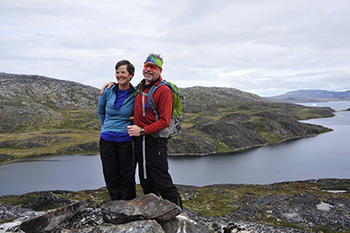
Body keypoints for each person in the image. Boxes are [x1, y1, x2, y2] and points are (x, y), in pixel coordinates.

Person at [102, 54, 182, 209]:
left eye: (153, 67)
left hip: (155, 140)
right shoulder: (141, 87)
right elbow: (124, 88)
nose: (149, 70)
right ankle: (154, 211)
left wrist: (143, 130)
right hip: (140, 140)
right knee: (145, 179)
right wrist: (112, 83)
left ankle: (179, 213)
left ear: (160, 70)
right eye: (146, 66)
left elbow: (165, 121)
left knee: (161, 178)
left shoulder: (163, 90)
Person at [97, 60, 136, 201]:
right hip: (107, 139)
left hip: (125, 140)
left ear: (131, 75)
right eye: (117, 72)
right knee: (110, 173)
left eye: (123, 72)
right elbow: (101, 111)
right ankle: (116, 204)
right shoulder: (108, 91)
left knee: (127, 174)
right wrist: (107, 126)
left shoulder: (135, 93)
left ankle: (129, 205)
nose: (119, 75)